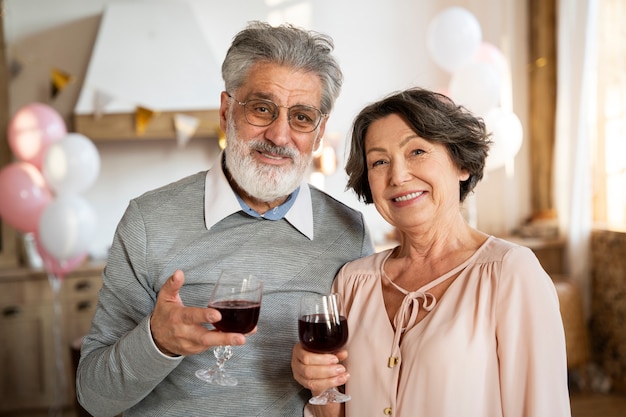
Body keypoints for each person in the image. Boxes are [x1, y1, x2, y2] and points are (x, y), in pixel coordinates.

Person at [76, 21, 374, 417]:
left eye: (302, 117)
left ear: (319, 134)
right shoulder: (148, 221)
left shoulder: (348, 233)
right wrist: (157, 341)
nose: (280, 135)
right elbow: (94, 397)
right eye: (262, 108)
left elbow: (370, 383)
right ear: (226, 110)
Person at [291, 88, 571, 417]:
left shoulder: (509, 273)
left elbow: (542, 409)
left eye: (417, 152)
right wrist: (319, 383)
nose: (398, 176)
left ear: (461, 164)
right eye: (379, 161)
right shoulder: (353, 282)